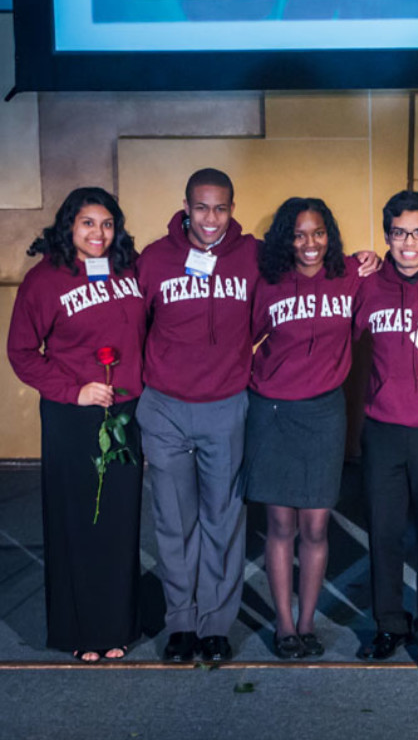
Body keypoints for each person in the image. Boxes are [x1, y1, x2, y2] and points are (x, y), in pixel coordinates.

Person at [7, 187, 146, 663]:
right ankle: (81, 630)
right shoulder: (44, 280)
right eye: (88, 223)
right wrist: (75, 390)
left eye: (107, 223)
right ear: (69, 225)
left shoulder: (130, 267)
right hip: (73, 416)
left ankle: (116, 625)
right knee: (79, 523)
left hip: (125, 415)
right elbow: (22, 353)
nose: (98, 233)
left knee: (120, 523)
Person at [135, 168, 260, 663]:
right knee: (173, 523)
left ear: (232, 206)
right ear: (186, 205)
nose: (211, 218)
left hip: (226, 405)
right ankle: (181, 624)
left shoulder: (252, 256)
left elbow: (307, 269)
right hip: (164, 406)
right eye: (202, 207)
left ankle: (215, 625)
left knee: (223, 521)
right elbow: (130, 321)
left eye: (221, 208)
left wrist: (360, 262)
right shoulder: (155, 259)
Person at [241, 197, 363, 660]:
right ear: (284, 239)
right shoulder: (268, 283)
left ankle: (308, 622)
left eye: (317, 233)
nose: (309, 243)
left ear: (328, 235)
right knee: (280, 524)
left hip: (325, 413)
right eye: (298, 234)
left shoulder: (350, 276)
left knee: (315, 526)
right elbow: (241, 338)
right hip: (272, 413)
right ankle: (284, 626)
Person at [353, 191, 418, 669]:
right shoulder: (367, 286)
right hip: (383, 428)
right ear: (387, 236)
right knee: (385, 533)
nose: (409, 243)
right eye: (399, 233)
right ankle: (389, 624)